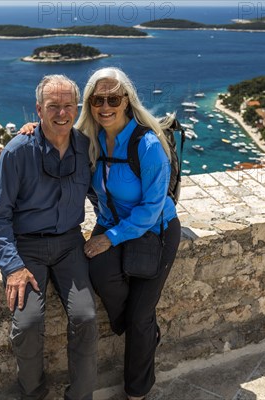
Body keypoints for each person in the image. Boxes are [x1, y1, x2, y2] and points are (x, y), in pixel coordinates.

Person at [0, 74, 97, 400]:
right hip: (28, 247)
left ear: (76, 108)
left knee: (86, 319)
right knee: (28, 325)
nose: (61, 113)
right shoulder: (17, 152)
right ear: (38, 109)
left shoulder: (85, 147)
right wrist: (12, 266)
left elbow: (103, 194)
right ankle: (33, 392)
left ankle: (79, 396)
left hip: (70, 245)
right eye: (53, 107)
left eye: (67, 106)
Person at [78, 67, 181, 400]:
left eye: (113, 99)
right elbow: (55, 136)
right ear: (89, 103)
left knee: (139, 315)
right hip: (113, 223)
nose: (105, 106)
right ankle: (146, 334)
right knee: (98, 272)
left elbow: (152, 209)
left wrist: (110, 237)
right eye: (97, 100)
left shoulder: (147, 144)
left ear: (126, 101)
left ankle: (137, 391)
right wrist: (31, 130)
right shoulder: (90, 138)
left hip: (156, 231)